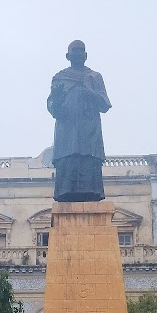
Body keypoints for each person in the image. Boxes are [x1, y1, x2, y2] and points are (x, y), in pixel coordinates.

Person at [47, 40, 112, 202]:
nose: (78, 53)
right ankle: (66, 192)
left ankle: (91, 192)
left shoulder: (95, 77)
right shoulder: (59, 77)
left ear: (86, 55)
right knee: (68, 159)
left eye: (81, 50)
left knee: (89, 158)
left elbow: (105, 105)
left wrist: (92, 94)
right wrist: (57, 99)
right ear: (68, 55)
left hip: (89, 130)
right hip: (67, 131)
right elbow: (53, 108)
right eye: (74, 50)